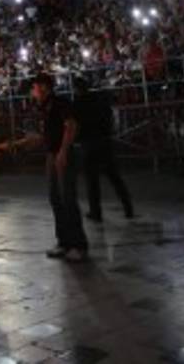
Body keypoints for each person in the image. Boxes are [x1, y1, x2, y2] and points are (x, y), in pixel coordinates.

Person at [30, 72, 88, 261]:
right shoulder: (44, 108)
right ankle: (64, 242)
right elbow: (50, 132)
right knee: (55, 198)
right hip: (51, 155)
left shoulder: (60, 103)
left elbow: (71, 126)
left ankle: (79, 245)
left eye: (35, 88)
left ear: (45, 88)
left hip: (63, 155)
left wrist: (63, 151)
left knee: (68, 199)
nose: (33, 92)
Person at [74, 77, 134, 222]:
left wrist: (77, 139)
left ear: (77, 89)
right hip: (104, 142)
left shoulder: (78, 104)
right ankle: (128, 208)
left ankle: (96, 212)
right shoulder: (100, 100)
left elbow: (76, 125)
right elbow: (109, 118)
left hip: (88, 143)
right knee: (114, 176)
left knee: (92, 181)